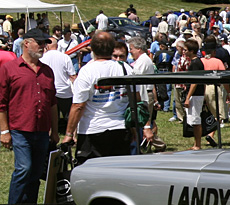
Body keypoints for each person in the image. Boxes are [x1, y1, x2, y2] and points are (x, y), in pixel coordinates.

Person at [0, 29, 59, 205]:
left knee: (35, 171)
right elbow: (1, 103)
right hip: (19, 128)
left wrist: (55, 131)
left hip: (41, 129)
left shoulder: (47, 71)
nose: (43, 47)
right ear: (27, 43)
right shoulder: (10, 68)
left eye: (45, 43)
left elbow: (52, 103)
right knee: (23, 168)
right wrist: (4, 131)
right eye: (39, 43)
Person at [63, 32, 130, 164]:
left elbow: (78, 106)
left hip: (93, 129)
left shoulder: (87, 71)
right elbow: (135, 98)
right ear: (112, 49)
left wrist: (69, 134)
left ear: (92, 49)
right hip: (120, 129)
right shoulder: (125, 69)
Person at [40, 36, 76, 135]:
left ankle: (51, 133)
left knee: (50, 116)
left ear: (46, 46)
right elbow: (72, 75)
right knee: (69, 115)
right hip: (64, 91)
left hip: (49, 90)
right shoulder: (65, 57)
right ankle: (72, 135)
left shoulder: (42, 57)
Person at [128, 36, 158, 149]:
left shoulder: (143, 60)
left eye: (131, 48)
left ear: (138, 49)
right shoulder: (142, 60)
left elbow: (135, 75)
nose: (130, 51)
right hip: (143, 92)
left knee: (144, 121)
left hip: (144, 93)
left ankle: (150, 145)